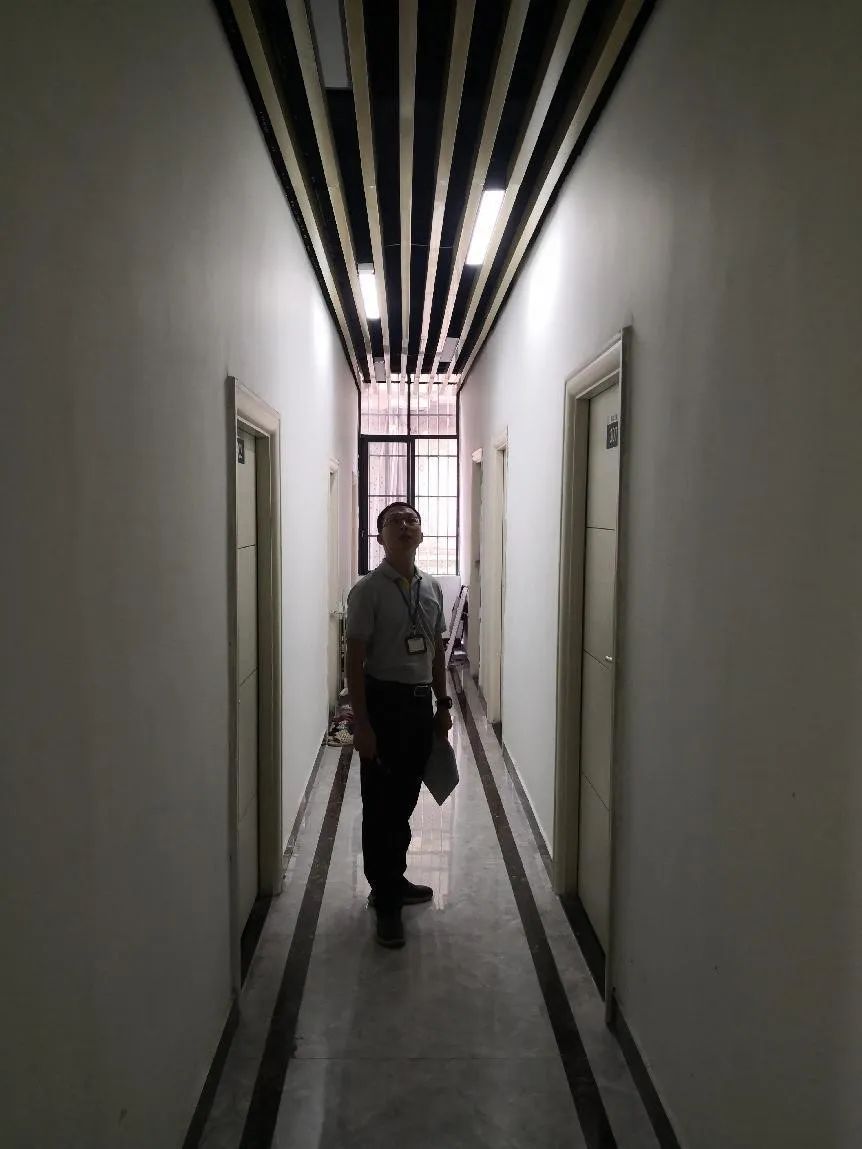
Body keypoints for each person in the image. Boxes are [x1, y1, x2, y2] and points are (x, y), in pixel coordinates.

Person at [345, 501, 454, 948]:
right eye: (395, 521)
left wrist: (443, 705)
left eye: (412, 520)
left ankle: (395, 878)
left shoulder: (431, 588)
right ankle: (385, 897)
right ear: (380, 538)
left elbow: (437, 651)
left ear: (421, 535)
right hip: (382, 704)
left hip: (419, 705)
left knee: (406, 797)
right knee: (380, 805)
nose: (405, 526)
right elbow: (354, 662)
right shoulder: (367, 591)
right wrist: (362, 724)